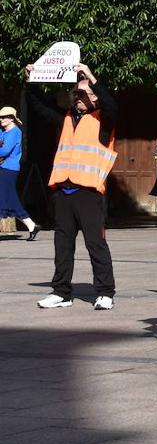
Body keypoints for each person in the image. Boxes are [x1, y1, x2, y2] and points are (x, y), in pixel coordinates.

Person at [26, 63, 118, 310]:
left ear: (94, 97)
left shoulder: (104, 120)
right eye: (75, 93)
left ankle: (105, 292)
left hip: (89, 193)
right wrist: (31, 81)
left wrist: (91, 77)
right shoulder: (66, 117)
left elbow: (111, 105)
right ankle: (61, 292)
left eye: (83, 93)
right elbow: (39, 107)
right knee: (62, 246)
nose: (77, 97)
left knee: (95, 244)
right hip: (63, 192)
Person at [0, 106, 38, 240]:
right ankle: (32, 225)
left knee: (6, 198)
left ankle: (32, 225)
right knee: (10, 199)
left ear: (11, 118)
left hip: (9, 169)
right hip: (3, 168)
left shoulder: (15, 132)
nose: (1, 119)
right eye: (0, 117)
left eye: (4, 117)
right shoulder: (2, 131)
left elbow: (5, 151)